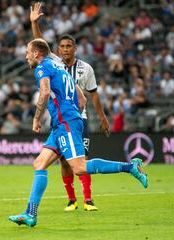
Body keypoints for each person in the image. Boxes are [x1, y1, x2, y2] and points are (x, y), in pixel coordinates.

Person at [8, 38, 148, 227]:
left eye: (27, 51)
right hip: (62, 124)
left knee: (80, 167)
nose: (25, 56)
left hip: (66, 122)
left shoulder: (43, 67)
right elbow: (76, 89)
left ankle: (131, 167)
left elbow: (45, 91)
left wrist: (36, 118)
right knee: (39, 164)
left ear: (36, 53)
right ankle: (30, 214)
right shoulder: (58, 66)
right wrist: (79, 97)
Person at [30, 2, 110, 211]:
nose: (65, 49)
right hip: (60, 118)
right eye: (62, 47)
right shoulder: (55, 62)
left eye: (68, 46)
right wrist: (35, 24)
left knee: (80, 160)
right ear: (57, 50)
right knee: (65, 162)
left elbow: (93, 95)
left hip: (76, 118)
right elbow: (40, 46)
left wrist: (101, 117)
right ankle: (72, 199)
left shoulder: (85, 68)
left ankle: (88, 198)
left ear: (75, 49)